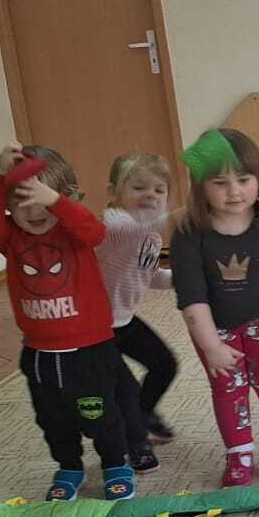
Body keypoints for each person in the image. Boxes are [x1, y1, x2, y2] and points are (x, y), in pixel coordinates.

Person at [0, 143, 134, 502]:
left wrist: (55, 201)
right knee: (52, 418)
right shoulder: (10, 238)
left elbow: (95, 232)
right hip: (39, 352)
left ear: (64, 197)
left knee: (100, 412)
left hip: (90, 349)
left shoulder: (73, 233)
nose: (34, 210)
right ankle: (69, 466)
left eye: (42, 198)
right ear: (7, 205)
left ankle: (114, 463)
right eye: (21, 200)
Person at [170, 128, 259, 486]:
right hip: (214, 328)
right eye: (220, 183)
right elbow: (191, 296)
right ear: (201, 186)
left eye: (243, 180)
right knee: (228, 391)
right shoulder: (189, 232)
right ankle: (239, 454)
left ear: (258, 179)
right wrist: (211, 346)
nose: (234, 192)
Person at [99, 152, 179, 473]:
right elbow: (131, 229)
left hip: (124, 320)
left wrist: (184, 278)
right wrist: (188, 214)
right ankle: (135, 444)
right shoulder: (112, 224)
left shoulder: (150, 235)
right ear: (113, 192)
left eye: (159, 190)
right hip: (95, 328)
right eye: (139, 188)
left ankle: (142, 417)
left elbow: (150, 275)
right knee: (126, 390)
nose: (150, 196)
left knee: (165, 365)